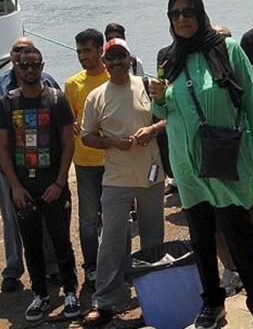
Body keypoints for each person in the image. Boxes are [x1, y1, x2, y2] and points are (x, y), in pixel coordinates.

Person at [150, 0, 253, 329]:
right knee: (201, 237)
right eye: (174, 14)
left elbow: (252, 103)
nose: (182, 19)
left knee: (241, 237)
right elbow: (163, 111)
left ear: (200, 13)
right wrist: (157, 99)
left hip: (227, 158)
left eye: (187, 11)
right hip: (187, 163)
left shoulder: (226, 49)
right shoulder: (167, 58)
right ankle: (212, 303)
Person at [81, 38, 165, 326]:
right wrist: (112, 143)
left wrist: (151, 129)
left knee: (154, 237)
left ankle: (153, 298)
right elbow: (86, 136)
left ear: (130, 59)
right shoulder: (97, 96)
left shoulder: (146, 86)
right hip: (116, 178)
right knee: (112, 240)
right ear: (104, 62)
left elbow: (168, 116)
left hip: (151, 174)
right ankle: (104, 302)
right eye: (111, 57)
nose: (117, 62)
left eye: (121, 56)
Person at [0, 47, 80, 322]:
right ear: (17, 67)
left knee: (61, 241)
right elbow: (2, 148)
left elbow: (69, 141)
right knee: (31, 244)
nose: (30, 70)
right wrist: (15, 186)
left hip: (53, 186)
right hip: (24, 189)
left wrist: (60, 182)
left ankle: (70, 291)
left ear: (42, 65)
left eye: (35, 65)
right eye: (24, 65)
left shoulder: (56, 99)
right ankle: (40, 294)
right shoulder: (8, 102)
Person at [0, 37, 61, 293]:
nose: (22, 57)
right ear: (11, 55)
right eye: (17, 51)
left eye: (27, 52)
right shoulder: (2, 86)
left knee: (46, 219)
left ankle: (52, 268)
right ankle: (13, 270)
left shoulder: (47, 81)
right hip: (8, 167)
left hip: (41, 163)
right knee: (12, 219)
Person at [64, 29, 110, 290]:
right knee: (89, 219)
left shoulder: (112, 77)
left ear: (100, 50)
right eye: (79, 51)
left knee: (118, 218)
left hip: (114, 160)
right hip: (85, 163)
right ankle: (91, 267)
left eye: (88, 50)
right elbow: (70, 122)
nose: (82, 56)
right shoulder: (72, 84)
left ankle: (120, 263)